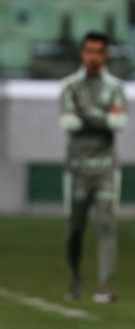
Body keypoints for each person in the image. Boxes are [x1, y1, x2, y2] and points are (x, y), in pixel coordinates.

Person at [59, 31, 127, 303]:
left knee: (107, 225)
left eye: (99, 51)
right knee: (75, 227)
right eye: (89, 51)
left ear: (106, 54)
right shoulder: (69, 86)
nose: (93, 56)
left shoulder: (115, 87)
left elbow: (119, 124)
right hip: (76, 169)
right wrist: (104, 115)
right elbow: (68, 124)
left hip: (106, 168)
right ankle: (75, 278)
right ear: (81, 53)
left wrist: (86, 113)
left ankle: (104, 284)